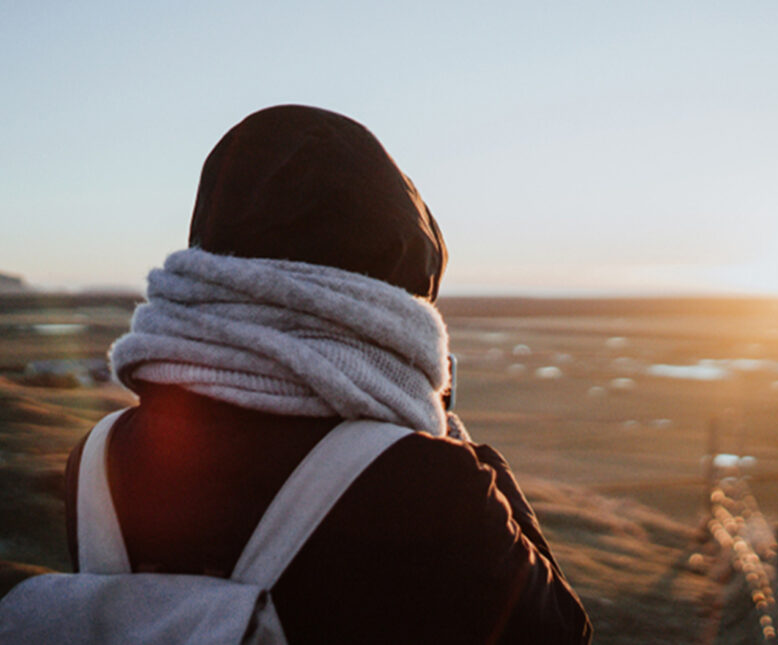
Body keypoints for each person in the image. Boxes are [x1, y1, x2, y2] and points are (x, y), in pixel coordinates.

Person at [63, 105, 592, 644]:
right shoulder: (430, 483)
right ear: (391, 298)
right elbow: (560, 632)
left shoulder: (97, 457)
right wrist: (449, 432)